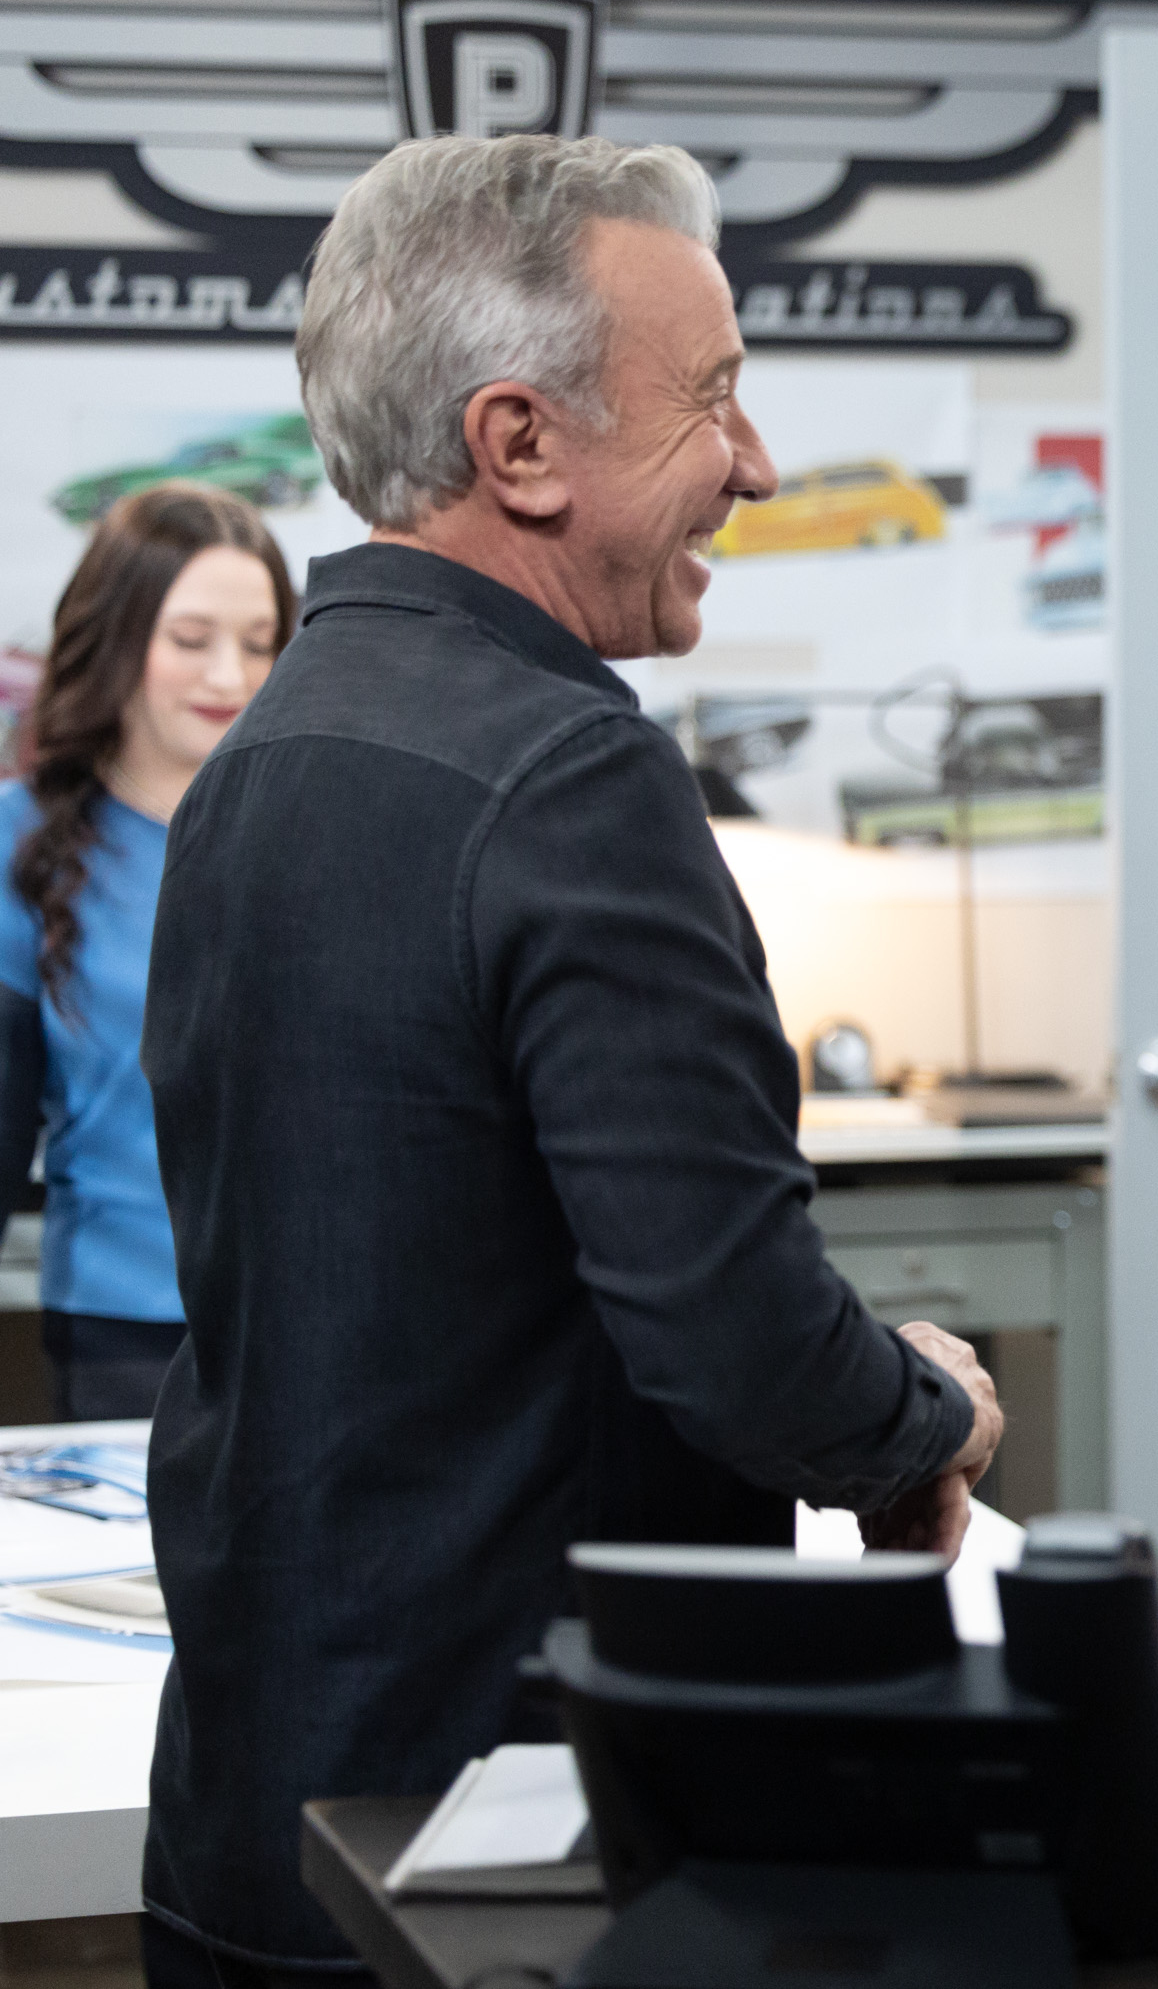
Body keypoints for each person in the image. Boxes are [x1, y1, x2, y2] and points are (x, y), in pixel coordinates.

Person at [136, 135, 1003, 1987]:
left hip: (258, 1822)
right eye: (711, 399)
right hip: (517, 1848)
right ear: (520, 444)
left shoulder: (263, 757)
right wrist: (927, 1414)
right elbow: (738, 1338)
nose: (754, 466)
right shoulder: (573, 779)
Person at [0, 485, 289, 1421]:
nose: (230, 675)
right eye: (192, 638)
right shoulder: (20, 844)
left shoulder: (319, 832)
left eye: (260, 642)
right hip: (119, 1331)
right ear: (118, 637)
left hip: (319, 1322)